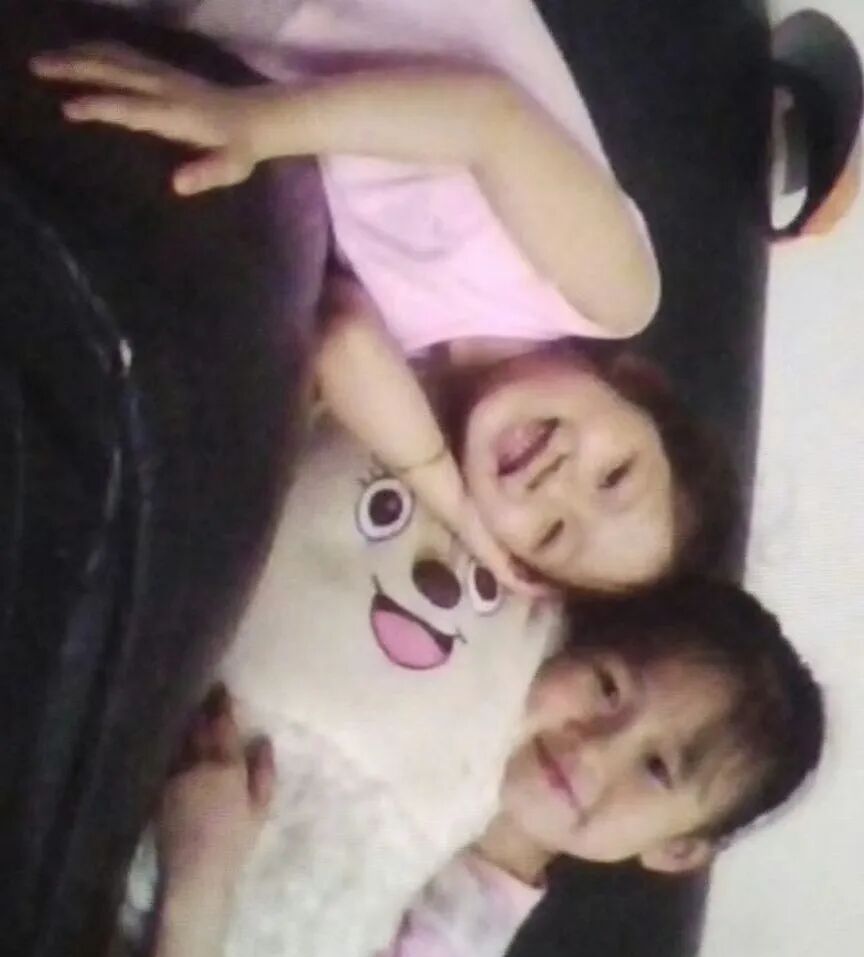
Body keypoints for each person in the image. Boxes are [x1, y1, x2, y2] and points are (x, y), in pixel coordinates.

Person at [29, 577, 825, 957]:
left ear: (676, 848)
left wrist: (201, 875)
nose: (593, 751)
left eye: (657, 769)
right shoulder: (450, 669)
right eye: (608, 687)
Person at [31, 2, 739, 594]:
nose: (559, 484)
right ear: (636, 387)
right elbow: (489, 120)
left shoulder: (419, 373)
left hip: (208, 32)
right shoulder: (610, 294)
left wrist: (455, 505)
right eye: (615, 475)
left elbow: (342, 340)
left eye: (551, 534)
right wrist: (254, 125)